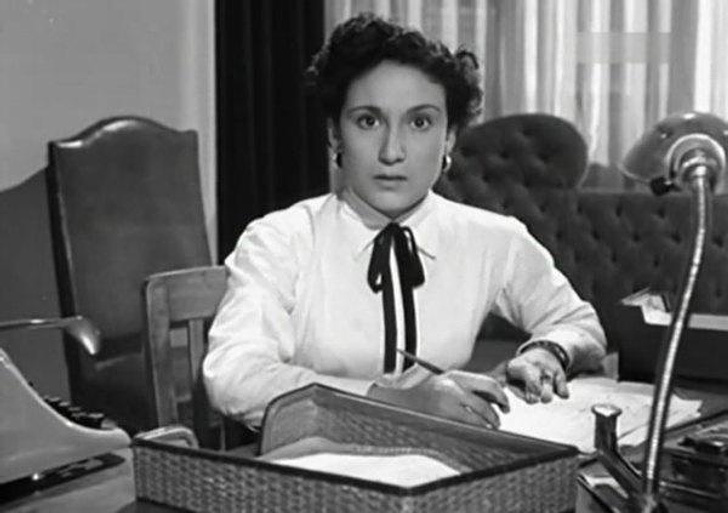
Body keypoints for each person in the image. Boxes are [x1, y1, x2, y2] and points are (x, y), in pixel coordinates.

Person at [203, 13, 606, 429]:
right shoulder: (279, 240)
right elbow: (233, 376)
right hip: (312, 458)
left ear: (449, 137)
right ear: (335, 134)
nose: (392, 151)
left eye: (420, 122)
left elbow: (578, 322)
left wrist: (547, 352)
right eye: (368, 121)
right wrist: (394, 402)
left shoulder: (491, 237)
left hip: (448, 457)